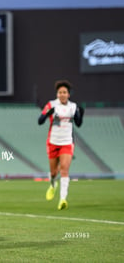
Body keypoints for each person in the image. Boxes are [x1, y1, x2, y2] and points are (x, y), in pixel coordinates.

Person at [38, 80, 84, 210]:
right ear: (57, 94)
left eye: (64, 92)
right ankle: (53, 184)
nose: (62, 94)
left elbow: (79, 123)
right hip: (53, 142)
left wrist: (80, 114)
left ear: (69, 94)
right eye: (60, 92)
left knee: (64, 169)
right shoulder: (51, 105)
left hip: (67, 142)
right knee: (53, 172)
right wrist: (48, 112)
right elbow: (40, 121)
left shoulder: (73, 107)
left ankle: (63, 199)